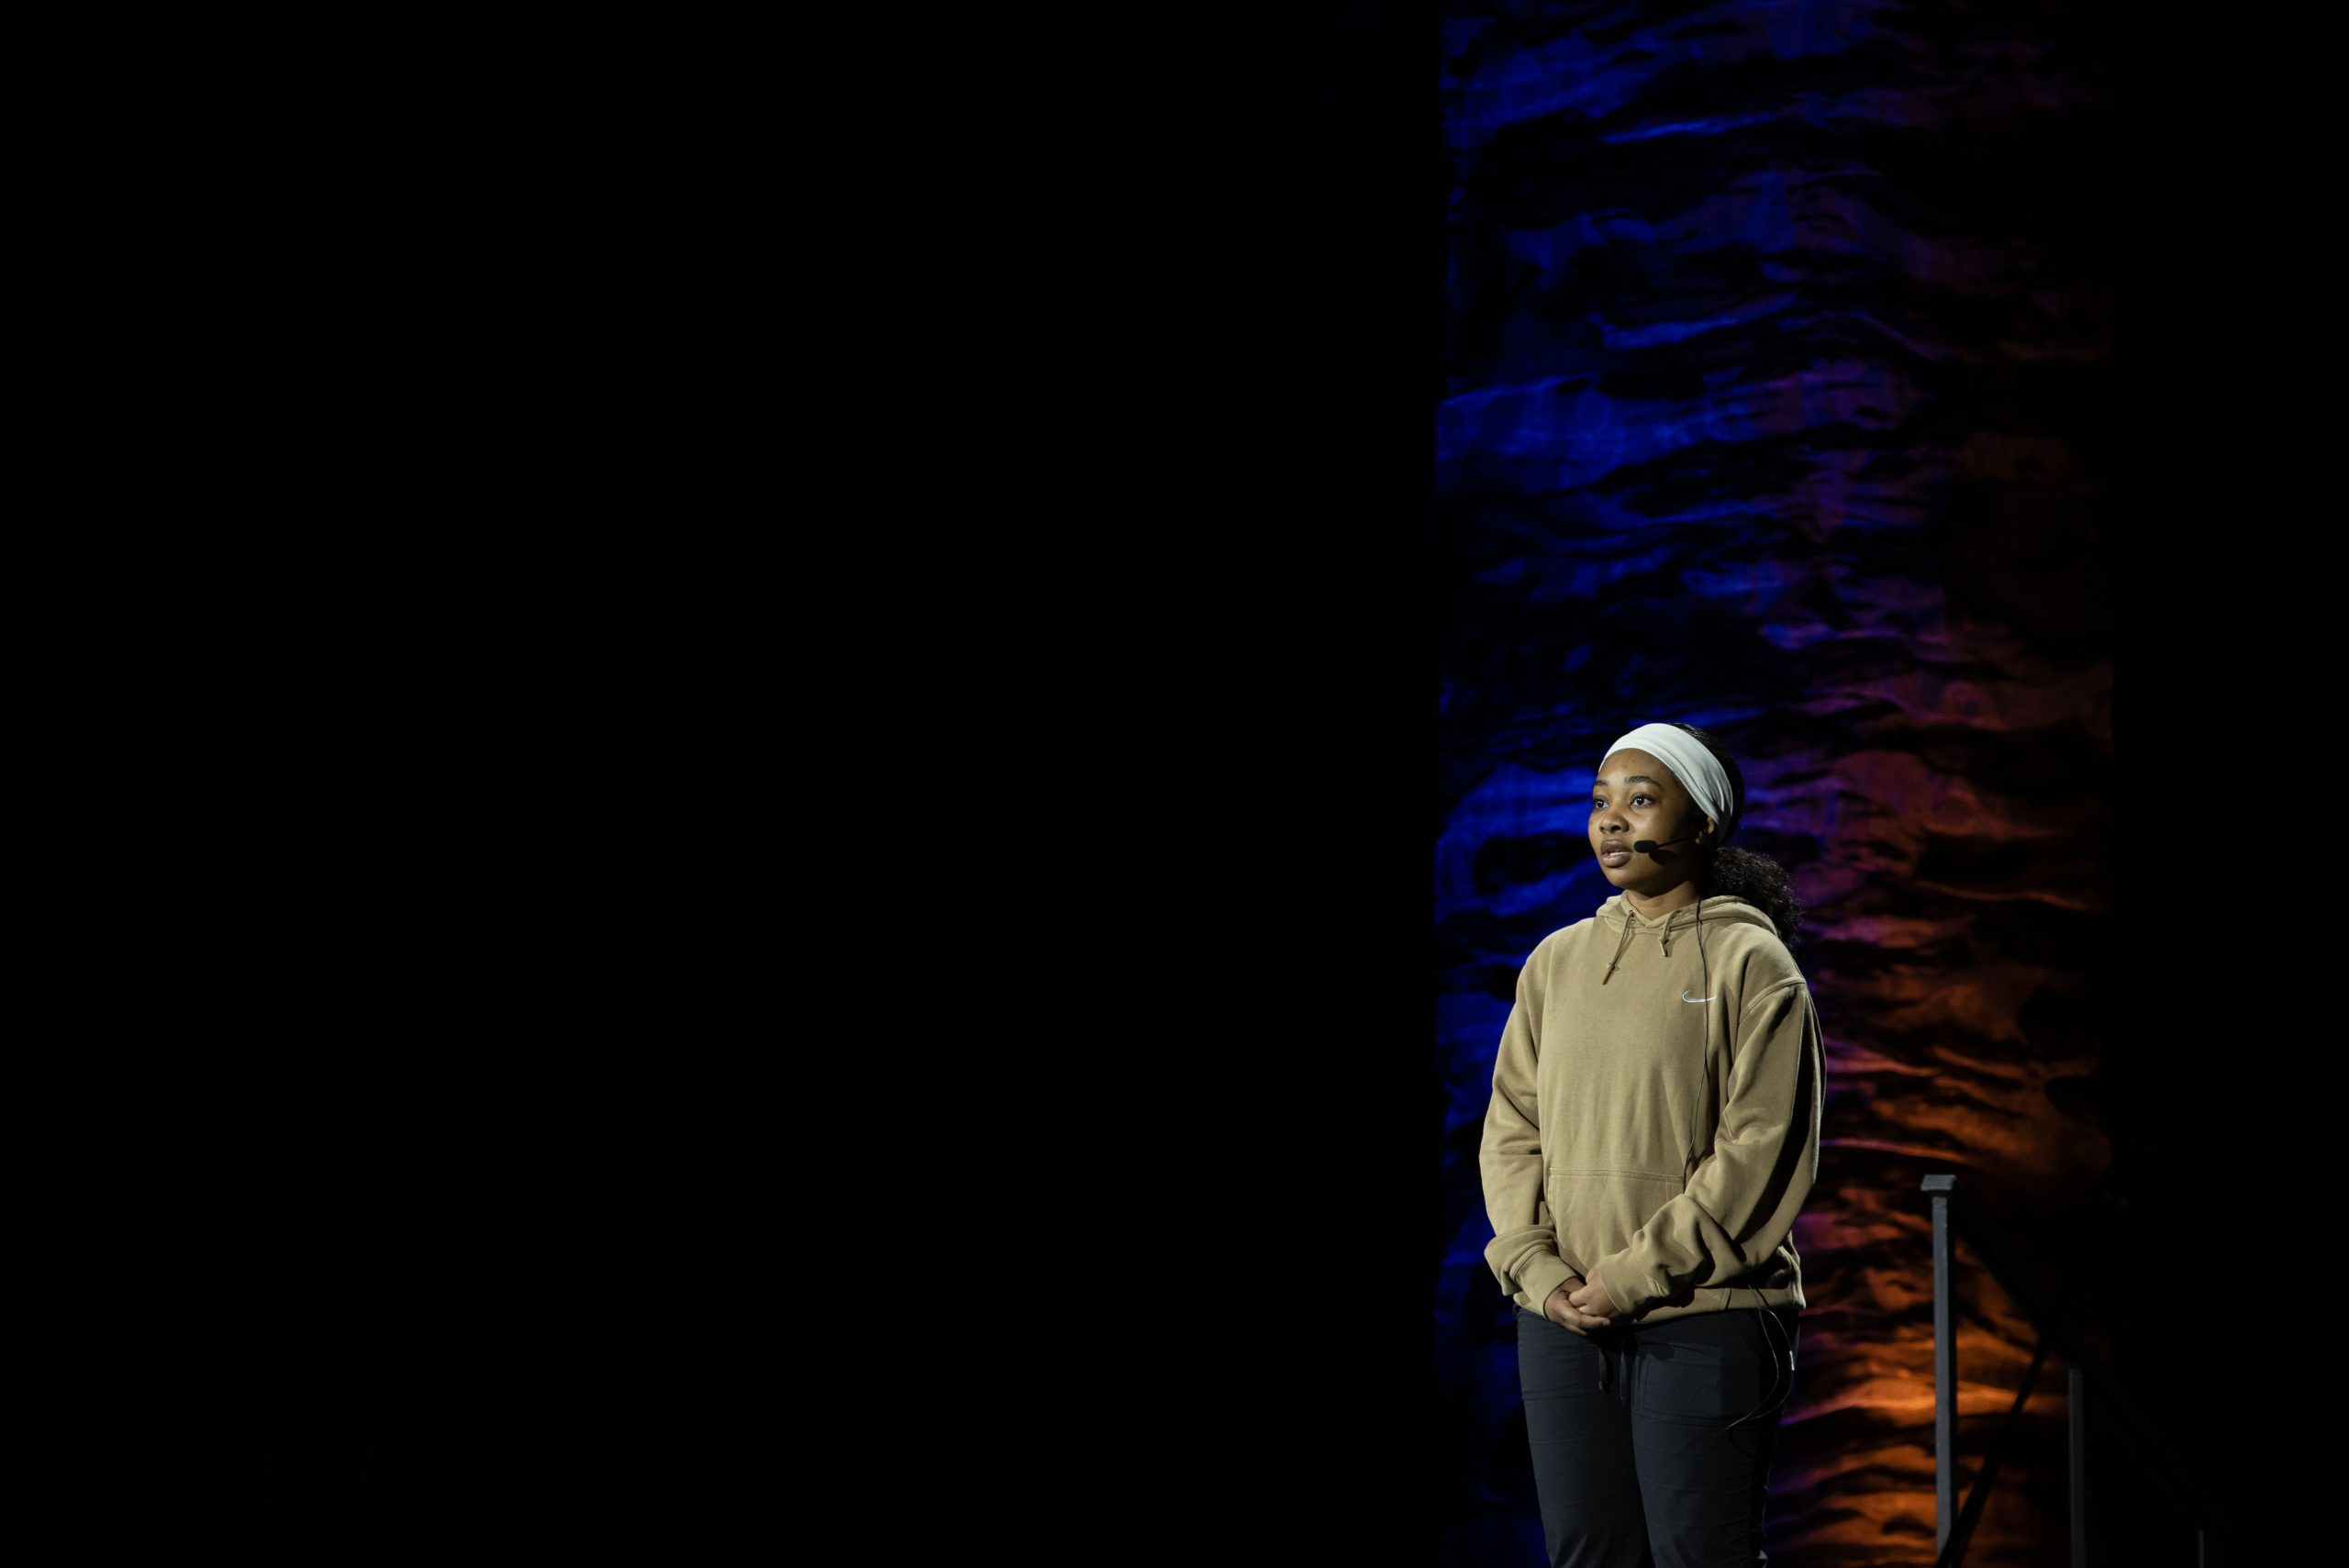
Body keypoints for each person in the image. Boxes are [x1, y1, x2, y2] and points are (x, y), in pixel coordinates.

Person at [1478, 720, 1825, 1568]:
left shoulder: (1753, 963)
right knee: (1587, 1552)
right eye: (1602, 801)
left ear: (1702, 823)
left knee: (1699, 1554)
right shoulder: (1556, 961)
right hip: (1564, 1318)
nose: (1612, 821)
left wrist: (1631, 1276)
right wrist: (1537, 1266)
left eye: (1641, 800)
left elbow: (1758, 1150)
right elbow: (1511, 1124)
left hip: (1703, 1316)